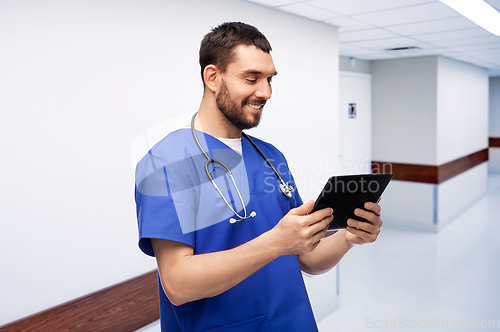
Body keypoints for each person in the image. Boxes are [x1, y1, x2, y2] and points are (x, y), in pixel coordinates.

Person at [135, 22, 383, 332]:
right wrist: (275, 243)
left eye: (269, 80)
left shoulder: (270, 156)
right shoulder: (166, 161)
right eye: (251, 78)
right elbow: (178, 284)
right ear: (212, 77)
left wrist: (349, 236)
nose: (265, 92)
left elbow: (306, 258)